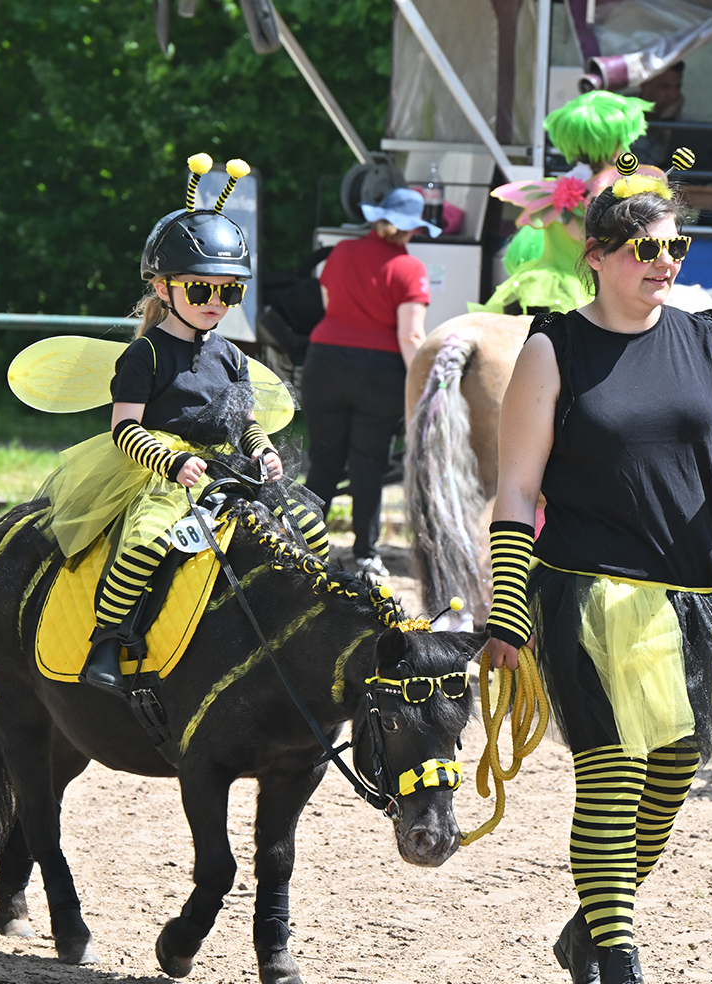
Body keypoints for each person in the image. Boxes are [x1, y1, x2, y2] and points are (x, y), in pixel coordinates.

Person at [482, 152, 712, 984]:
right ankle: (621, 974)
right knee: (612, 776)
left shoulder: (709, 342)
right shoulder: (553, 347)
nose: (664, 262)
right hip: (586, 594)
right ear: (598, 256)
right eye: (646, 249)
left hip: (692, 596)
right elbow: (516, 489)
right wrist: (510, 608)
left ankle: (588, 930)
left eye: (676, 247)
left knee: (670, 777)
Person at [37, 154, 284, 693]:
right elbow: (124, 429)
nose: (216, 302)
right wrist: (170, 462)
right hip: (159, 473)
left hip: (226, 467)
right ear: (164, 288)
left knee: (303, 525)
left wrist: (262, 449)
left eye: (229, 291)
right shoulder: (145, 354)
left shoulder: (233, 357)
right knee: (147, 540)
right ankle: (107, 641)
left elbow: (243, 422)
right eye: (200, 289)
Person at [303, 186, 437, 578]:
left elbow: (329, 305)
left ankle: (302, 541)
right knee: (368, 465)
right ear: (413, 228)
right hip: (380, 374)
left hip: (324, 363)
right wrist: (425, 387)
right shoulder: (410, 268)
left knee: (323, 461)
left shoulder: (342, 252)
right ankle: (365, 554)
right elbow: (411, 335)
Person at [477, 90, 658, 317]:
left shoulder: (550, 190)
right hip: (589, 292)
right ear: (617, 143)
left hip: (538, 285)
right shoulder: (622, 193)